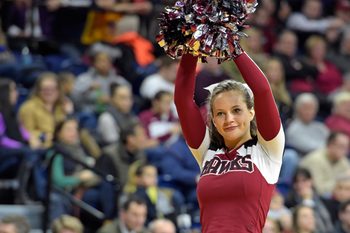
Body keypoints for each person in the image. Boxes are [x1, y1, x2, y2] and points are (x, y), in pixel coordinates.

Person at [174, 48, 285, 232]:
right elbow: (182, 100)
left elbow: (262, 91)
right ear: (214, 121)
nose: (229, 119)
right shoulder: (207, 151)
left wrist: (234, 48)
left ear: (251, 112)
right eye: (220, 114)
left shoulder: (267, 149)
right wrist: (191, 47)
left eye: (236, 110)